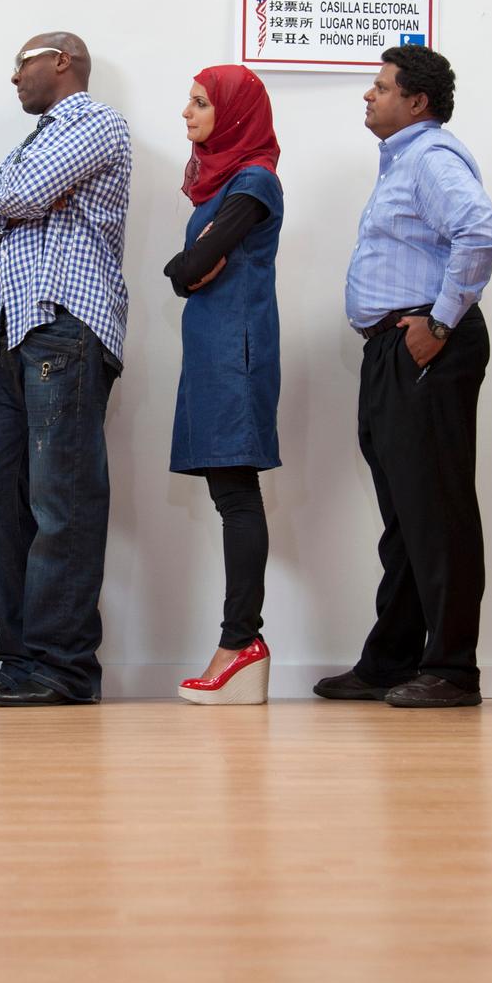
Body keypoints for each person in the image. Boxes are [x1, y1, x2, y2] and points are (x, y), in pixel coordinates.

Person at [316, 44, 492, 710]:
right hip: (393, 348)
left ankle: (451, 669)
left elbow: (481, 232)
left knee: (437, 511)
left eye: (379, 87)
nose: (367, 96)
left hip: (425, 344)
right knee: (404, 515)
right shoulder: (402, 161)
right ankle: (391, 659)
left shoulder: (429, 158)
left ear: (416, 101)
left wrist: (441, 323)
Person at [0, 32, 131, 706]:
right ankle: (22, 662)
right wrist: (16, 198)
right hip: (8, 333)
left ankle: (64, 667)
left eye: (18, 63)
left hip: (65, 325)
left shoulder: (95, 122)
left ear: (60, 61)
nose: (11, 79)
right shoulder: (34, 144)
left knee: (62, 500)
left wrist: (12, 197)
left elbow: (15, 195)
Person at [163, 65, 283, 706]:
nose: (187, 112)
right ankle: (240, 645)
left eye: (201, 103)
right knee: (226, 492)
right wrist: (187, 269)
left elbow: (192, 265)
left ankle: (241, 645)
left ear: (234, 113)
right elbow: (190, 269)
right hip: (214, 349)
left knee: (236, 494)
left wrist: (187, 268)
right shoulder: (221, 185)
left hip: (235, 351)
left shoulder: (254, 180)